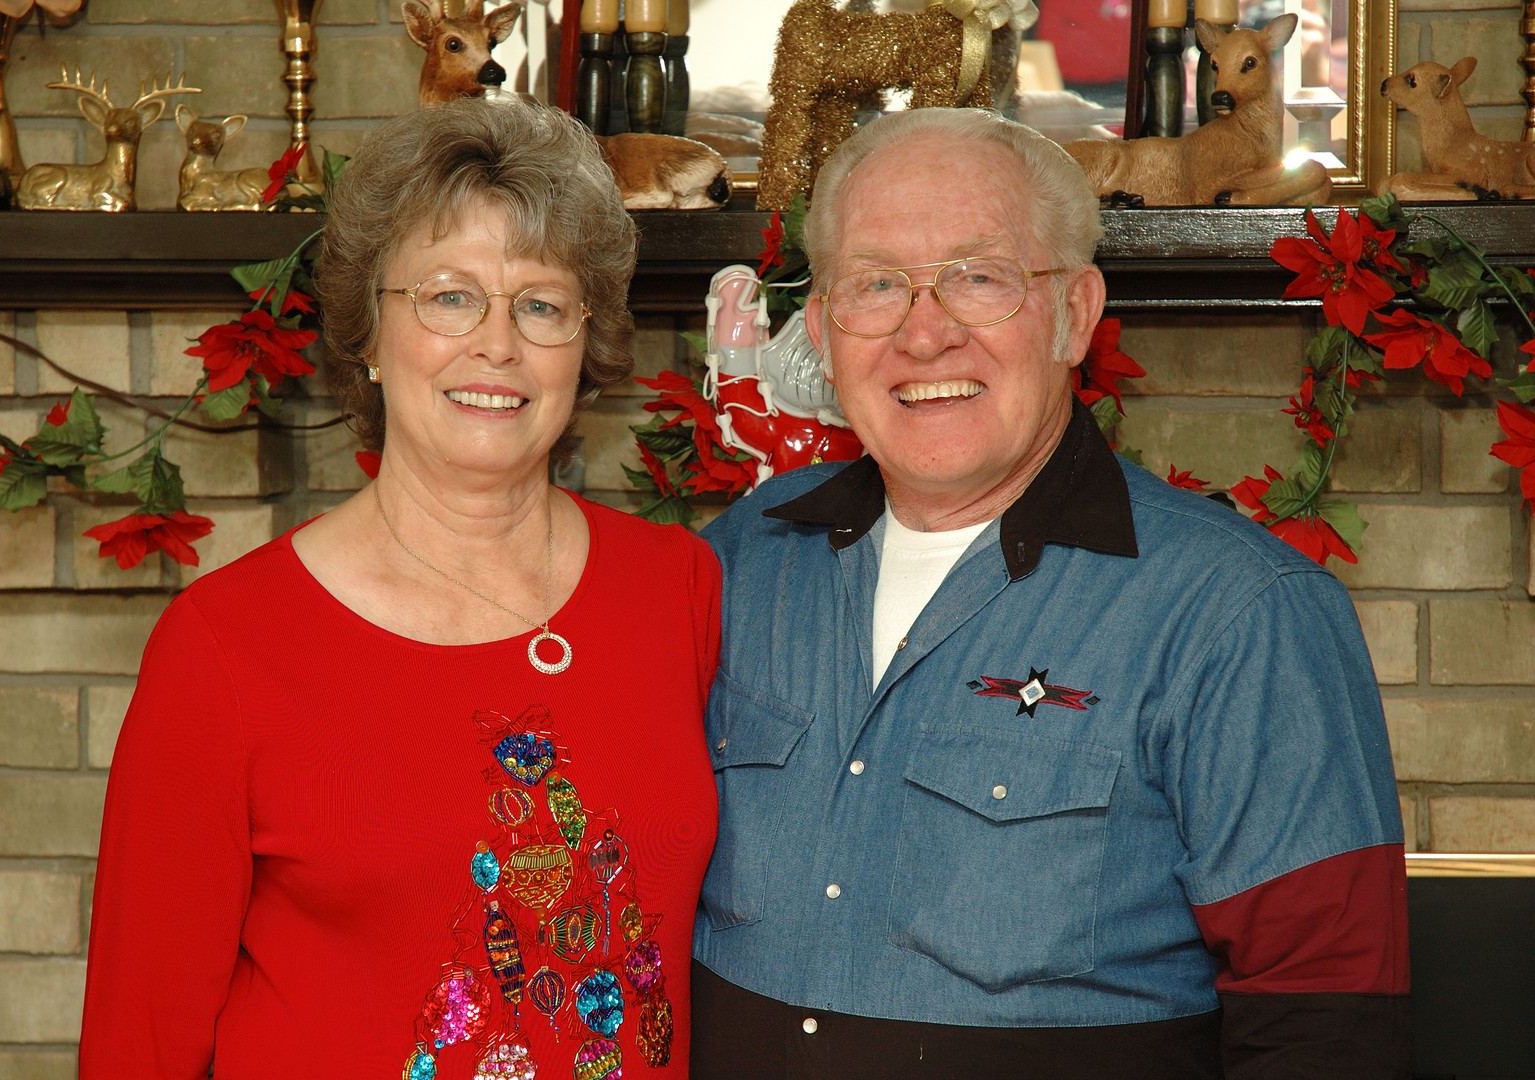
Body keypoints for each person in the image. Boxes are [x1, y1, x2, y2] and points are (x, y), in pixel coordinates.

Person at [691, 107, 1410, 1079]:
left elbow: (1326, 1024)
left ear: (1075, 311)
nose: (924, 334)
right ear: (821, 329)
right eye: (876, 284)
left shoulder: (1243, 613)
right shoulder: (739, 560)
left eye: (979, 277)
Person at [79, 99, 721, 1078]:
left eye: (541, 304)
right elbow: (141, 1040)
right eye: (448, 296)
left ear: (584, 345)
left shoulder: (676, 588)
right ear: (370, 337)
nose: (497, 344)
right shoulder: (226, 646)